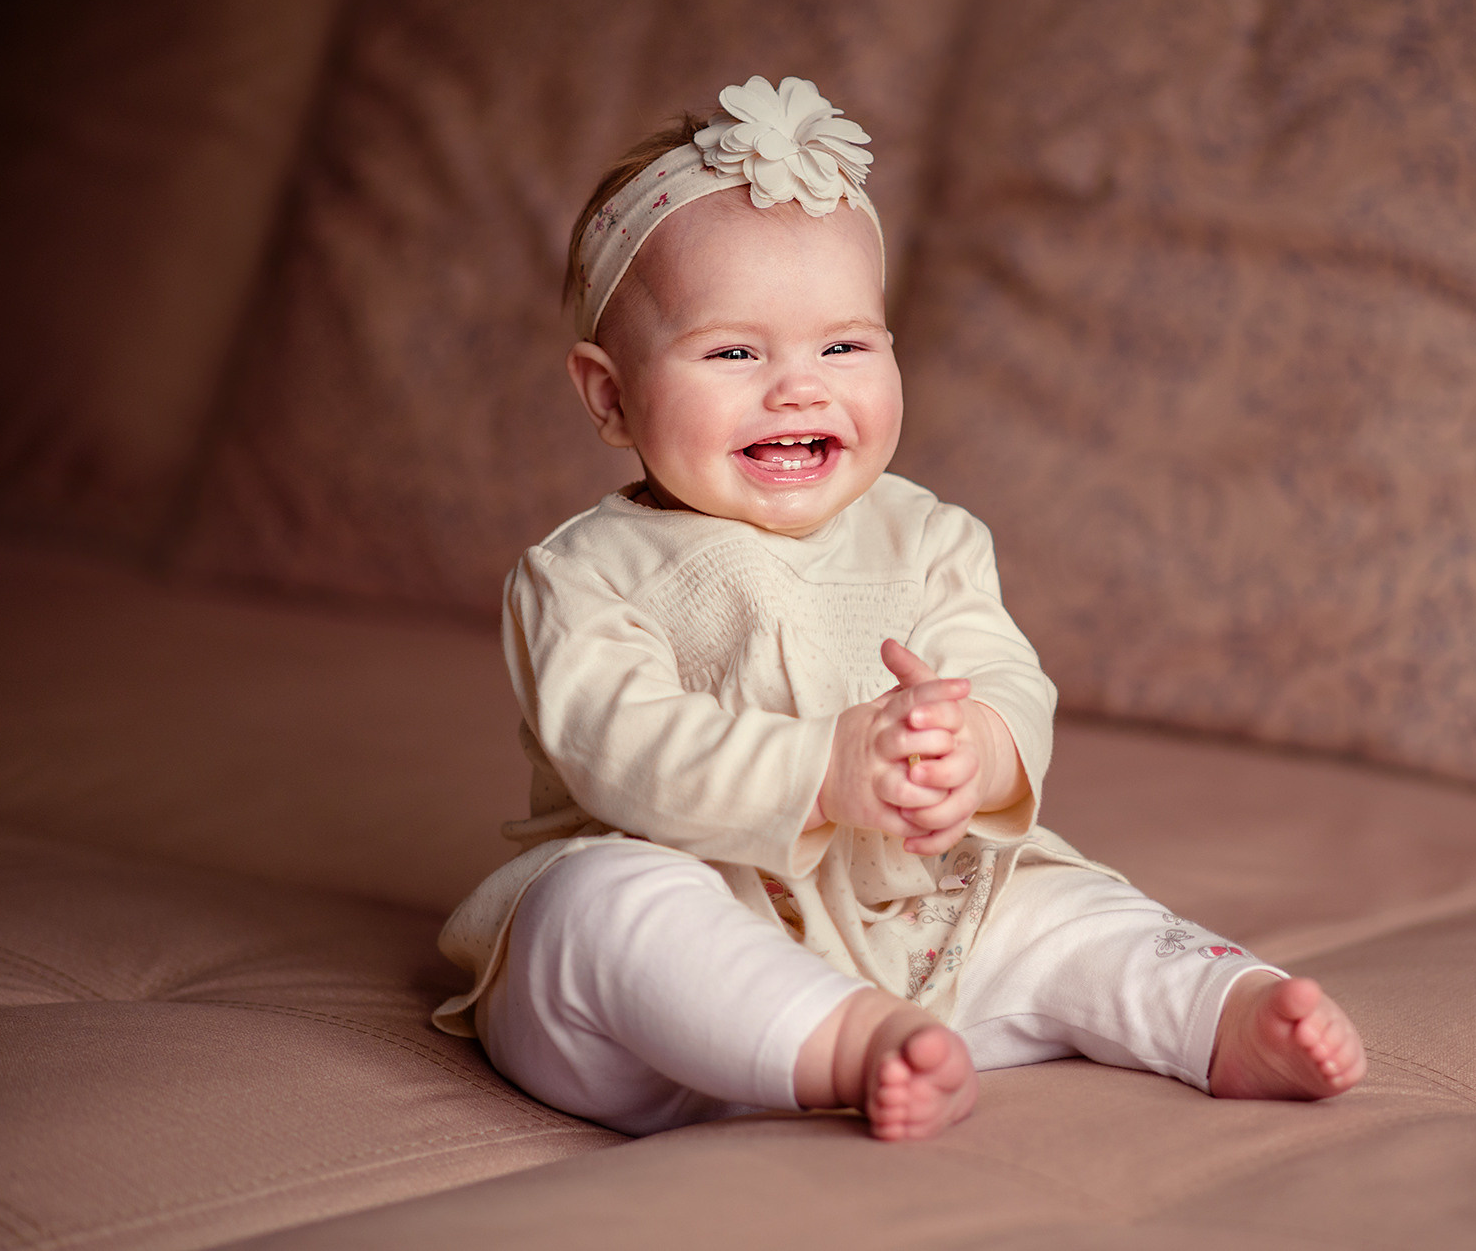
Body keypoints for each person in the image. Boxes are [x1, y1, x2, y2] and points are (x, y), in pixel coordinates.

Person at [433, 76, 1365, 1141]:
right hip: (679, 985)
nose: (798, 386)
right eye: (734, 350)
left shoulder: (928, 538)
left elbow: (1009, 679)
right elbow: (626, 751)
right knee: (594, 906)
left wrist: (973, 747)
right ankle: (842, 1038)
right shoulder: (579, 575)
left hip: (911, 918)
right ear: (609, 395)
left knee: (1053, 900)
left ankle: (1218, 1009)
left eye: (843, 344)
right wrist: (822, 769)